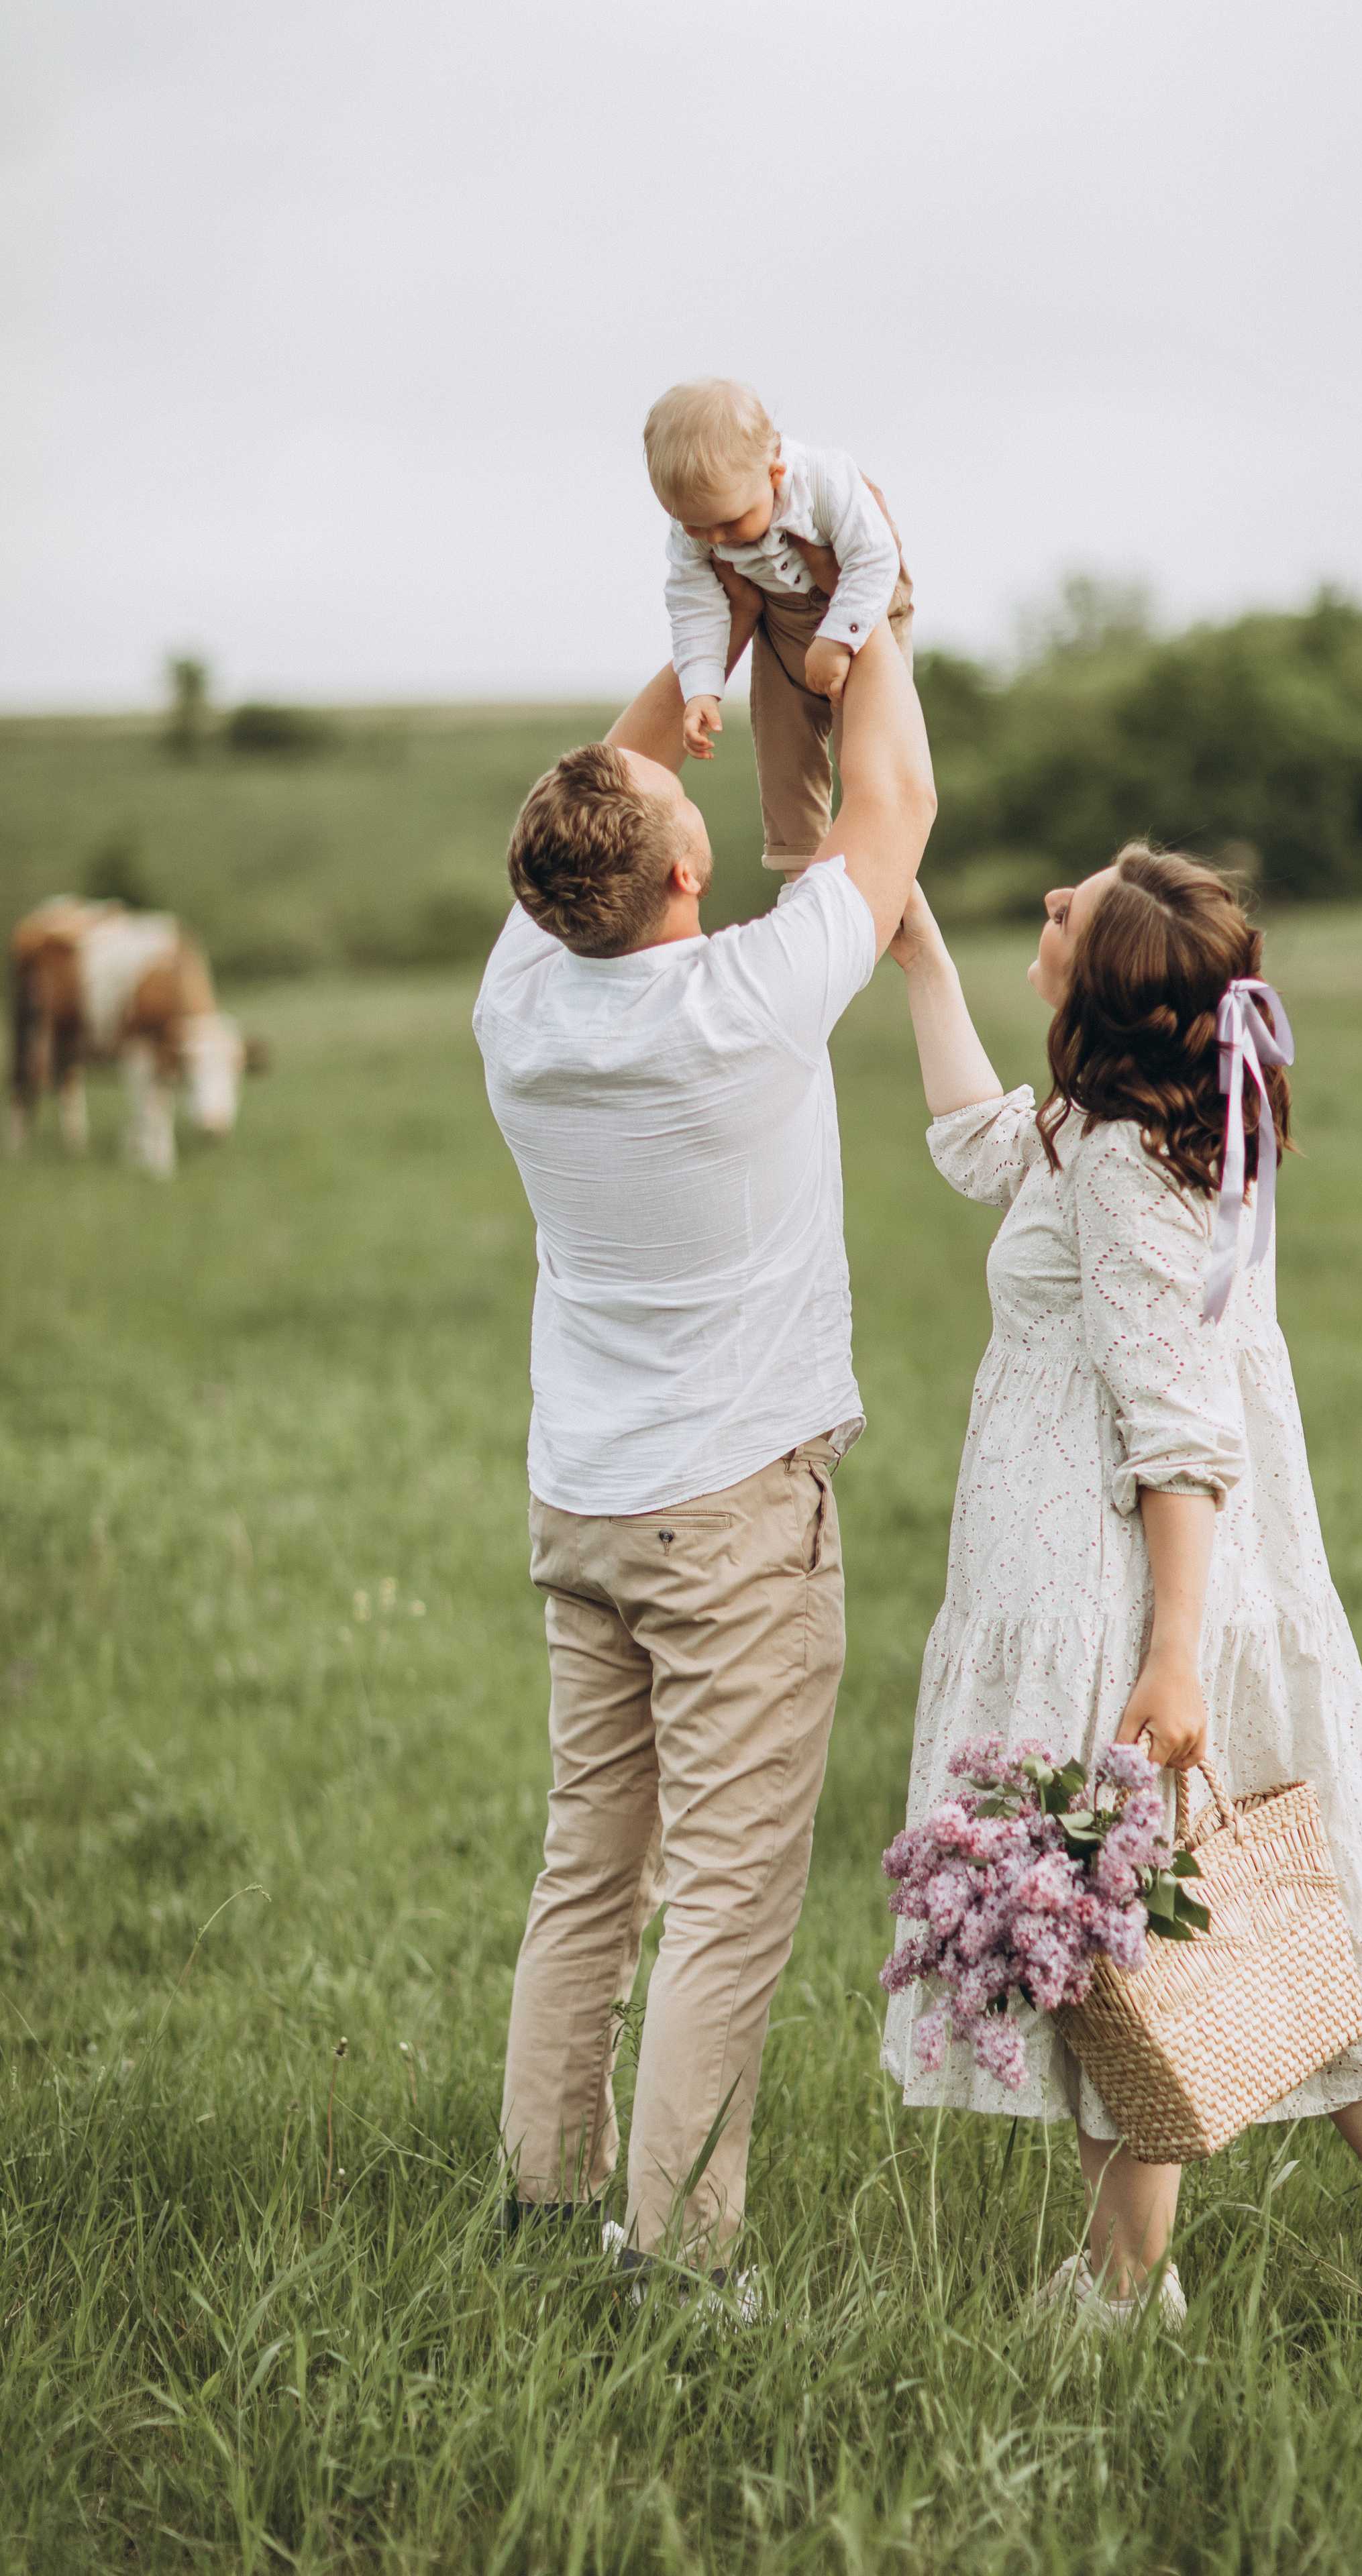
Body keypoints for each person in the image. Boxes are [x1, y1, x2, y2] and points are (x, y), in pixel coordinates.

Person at [880, 849, 1362, 2328]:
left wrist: (1169, 1657)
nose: (1050, 904)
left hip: (1127, 1594)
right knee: (1269, 1931)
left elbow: (1177, 1432)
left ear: (1100, 992)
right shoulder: (1118, 1127)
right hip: (1173, 1586)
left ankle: (1122, 2284)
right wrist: (920, 957)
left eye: (1072, 907)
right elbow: (983, 1147)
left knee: (1132, 1942)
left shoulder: (1120, 1164)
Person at [472, 597, 935, 2286]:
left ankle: (543, 2206)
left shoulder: (522, 1000)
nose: (682, 779)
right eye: (680, 803)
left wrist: (716, 635)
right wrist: (865, 604)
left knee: (588, 1868)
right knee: (728, 1897)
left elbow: (596, 798)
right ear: (681, 873)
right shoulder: (746, 995)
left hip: (582, 1503)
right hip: (730, 1513)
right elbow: (897, 807)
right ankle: (677, 2264)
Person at [643, 376, 914, 871]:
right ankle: (799, 865)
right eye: (694, 525)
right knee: (782, 749)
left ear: (774, 472)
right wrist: (701, 689)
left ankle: (877, 865)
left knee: (870, 753)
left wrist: (839, 638)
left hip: (862, 609)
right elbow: (694, 603)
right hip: (780, 620)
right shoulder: (700, 524)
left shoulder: (826, 480)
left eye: (731, 521)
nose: (716, 538)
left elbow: (876, 557)